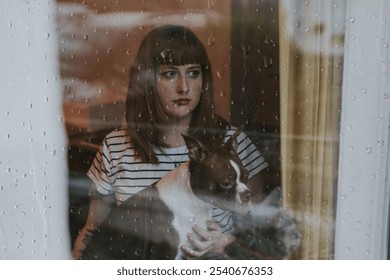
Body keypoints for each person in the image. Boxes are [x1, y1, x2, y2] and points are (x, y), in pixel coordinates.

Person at [72, 24, 269, 259]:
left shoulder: (233, 143)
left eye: (193, 73)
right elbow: (94, 231)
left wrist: (225, 244)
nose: (183, 87)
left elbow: (262, 236)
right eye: (170, 73)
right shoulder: (116, 148)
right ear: (146, 81)